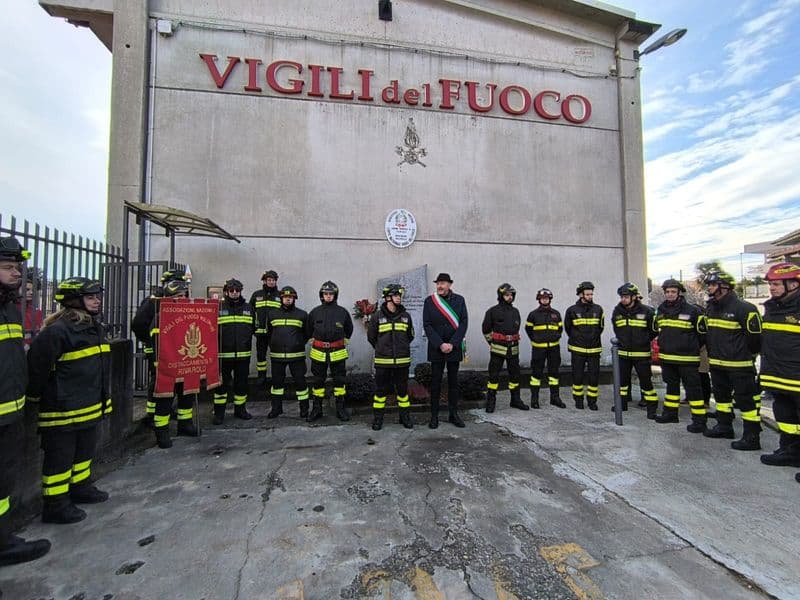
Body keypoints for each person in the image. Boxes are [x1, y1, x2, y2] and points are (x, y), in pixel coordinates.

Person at [27, 277, 111, 524]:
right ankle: (55, 504)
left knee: (84, 453)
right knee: (60, 459)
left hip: (88, 406)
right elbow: (37, 370)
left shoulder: (94, 329)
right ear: (74, 301)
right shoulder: (57, 332)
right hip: (62, 410)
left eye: (97, 296)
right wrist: (34, 399)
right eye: (90, 297)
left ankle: (81, 488)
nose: (96, 301)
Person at [0, 237, 50, 565]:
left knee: (4, 481)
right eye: (7, 267)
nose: (16, 273)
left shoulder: (9, 309)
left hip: (10, 412)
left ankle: (2, 539)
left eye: (18, 267)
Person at [702, 271, 762, 450]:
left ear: (724, 286)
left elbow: (755, 339)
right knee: (721, 398)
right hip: (718, 364)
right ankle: (724, 426)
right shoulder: (711, 307)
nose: (710, 288)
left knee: (746, 401)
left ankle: (752, 436)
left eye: (713, 285)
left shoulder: (745, 308)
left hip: (739, 365)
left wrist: (747, 355)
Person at [758, 262, 800, 479]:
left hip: (797, 377)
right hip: (778, 377)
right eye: (770, 284)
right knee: (785, 418)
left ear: (792, 284)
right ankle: (790, 452)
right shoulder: (772, 308)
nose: (772, 288)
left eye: (776, 284)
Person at [131, 269, 189, 427]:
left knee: (174, 383)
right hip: (155, 350)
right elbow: (138, 325)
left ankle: (167, 411)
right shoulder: (153, 301)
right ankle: (152, 413)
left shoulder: (181, 301)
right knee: (157, 382)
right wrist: (150, 340)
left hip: (176, 351)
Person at [149, 279, 199, 448]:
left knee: (186, 398)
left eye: (184, 295)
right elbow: (158, 345)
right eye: (178, 296)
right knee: (164, 402)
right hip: (166, 368)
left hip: (185, 365)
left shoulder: (189, 316)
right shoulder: (159, 318)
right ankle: (161, 432)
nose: (182, 298)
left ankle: (185, 425)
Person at [653, 279, 707, 429]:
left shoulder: (692, 311)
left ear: (679, 293)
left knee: (693, 390)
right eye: (668, 292)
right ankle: (670, 414)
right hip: (667, 358)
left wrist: (690, 347)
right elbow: (657, 330)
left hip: (687, 359)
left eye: (673, 292)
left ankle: (699, 421)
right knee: (671, 388)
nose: (670, 294)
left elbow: (702, 335)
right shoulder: (661, 310)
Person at [422, 273, 468, 428]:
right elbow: (427, 325)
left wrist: (453, 344)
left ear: (450, 285)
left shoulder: (459, 300)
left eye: (443, 283)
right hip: (437, 349)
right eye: (438, 283)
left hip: (453, 349)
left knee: (453, 383)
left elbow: (463, 323)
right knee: (435, 383)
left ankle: (453, 414)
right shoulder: (430, 301)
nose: (439, 286)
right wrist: (440, 344)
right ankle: (434, 416)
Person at [368, 284, 414, 430]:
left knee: (403, 392)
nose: (399, 298)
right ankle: (378, 419)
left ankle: (404, 417)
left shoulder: (406, 316)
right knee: (380, 393)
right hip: (383, 362)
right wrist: (382, 349)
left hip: (402, 362)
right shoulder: (377, 317)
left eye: (399, 295)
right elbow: (371, 337)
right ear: (388, 297)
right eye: (396, 295)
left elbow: (410, 336)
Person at [306, 281, 354, 422]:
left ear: (335, 295)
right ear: (321, 295)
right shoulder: (315, 312)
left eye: (330, 294)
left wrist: (342, 341)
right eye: (325, 294)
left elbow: (349, 330)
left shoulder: (342, 312)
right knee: (318, 381)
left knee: (339, 381)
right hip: (318, 352)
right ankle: (317, 409)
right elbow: (308, 330)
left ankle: (340, 408)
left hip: (337, 352)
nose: (328, 296)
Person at [611, 283, 658, 415]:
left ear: (634, 297)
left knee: (646, 383)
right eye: (621, 297)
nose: (623, 299)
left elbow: (653, 331)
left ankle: (652, 408)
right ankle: (622, 404)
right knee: (623, 383)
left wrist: (642, 340)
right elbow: (617, 329)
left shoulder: (647, 311)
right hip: (623, 354)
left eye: (625, 296)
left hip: (641, 354)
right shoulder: (617, 311)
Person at [213, 278, 254, 424]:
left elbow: (254, 329)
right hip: (223, 356)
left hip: (243, 356)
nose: (235, 293)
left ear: (241, 291)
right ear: (226, 291)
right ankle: (219, 413)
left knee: (241, 384)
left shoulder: (249, 308)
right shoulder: (217, 308)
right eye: (231, 290)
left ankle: (240, 409)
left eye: (237, 290)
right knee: (221, 386)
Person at [266, 286, 310, 419]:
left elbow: (307, 333)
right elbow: (269, 333)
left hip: (296, 356)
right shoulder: (272, 314)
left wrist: (298, 343)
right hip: (277, 356)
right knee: (277, 385)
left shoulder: (302, 314)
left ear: (294, 299)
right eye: (285, 297)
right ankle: (276, 409)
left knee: (301, 383)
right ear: (281, 299)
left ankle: (304, 409)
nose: (288, 300)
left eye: (290, 297)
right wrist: (274, 344)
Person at [482, 283, 526, 412]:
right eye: (507, 295)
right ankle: (491, 401)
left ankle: (515, 400)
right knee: (494, 376)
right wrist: (494, 343)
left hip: (513, 349)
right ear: (501, 296)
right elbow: (485, 330)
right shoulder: (492, 311)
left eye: (511, 295)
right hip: (497, 350)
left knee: (515, 376)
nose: (510, 297)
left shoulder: (515, 311)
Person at [564, 281, 604, 410]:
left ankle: (592, 402)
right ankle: (578, 400)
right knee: (578, 376)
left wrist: (592, 337)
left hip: (594, 349)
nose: (590, 296)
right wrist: (577, 338)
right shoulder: (572, 310)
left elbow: (601, 327)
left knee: (594, 377)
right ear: (581, 294)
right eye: (587, 294)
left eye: (591, 294)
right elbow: (568, 328)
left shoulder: (598, 309)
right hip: (577, 349)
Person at [524, 288, 565, 409]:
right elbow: (528, 329)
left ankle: (555, 398)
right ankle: (534, 399)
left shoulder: (556, 314)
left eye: (547, 298)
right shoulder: (533, 314)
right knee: (536, 375)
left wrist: (555, 337)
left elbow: (560, 329)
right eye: (543, 298)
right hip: (538, 350)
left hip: (553, 349)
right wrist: (536, 339)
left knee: (554, 374)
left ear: (550, 299)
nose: (545, 299)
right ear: (539, 300)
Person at [249, 270, 281, 386]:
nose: (271, 282)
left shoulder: (280, 295)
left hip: (275, 333)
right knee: (261, 356)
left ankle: (276, 376)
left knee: (276, 355)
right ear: (264, 281)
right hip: (260, 333)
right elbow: (250, 312)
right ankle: (261, 376)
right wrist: (253, 329)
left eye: (273, 280)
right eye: (269, 280)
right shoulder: (257, 295)